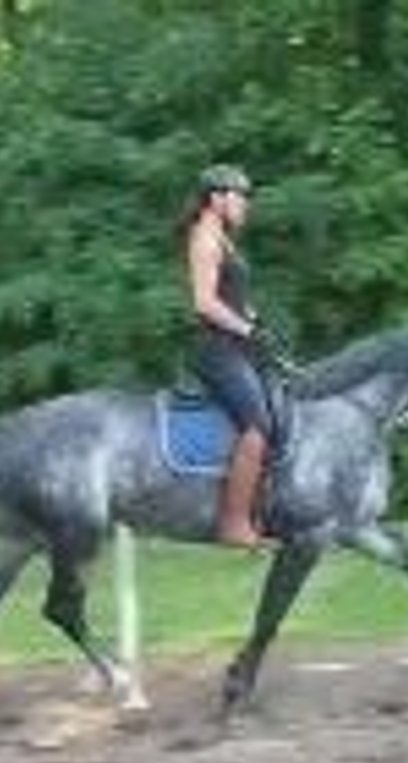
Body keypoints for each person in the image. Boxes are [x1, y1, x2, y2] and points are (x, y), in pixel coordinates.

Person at [182, 165, 273, 549]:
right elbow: (204, 302)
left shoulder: (224, 239)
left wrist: (254, 320)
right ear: (216, 198)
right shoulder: (205, 238)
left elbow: (231, 296)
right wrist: (245, 329)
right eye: (240, 197)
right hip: (216, 350)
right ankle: (233, 524)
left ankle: (264, 513)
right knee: (257, 428)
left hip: (236, 345)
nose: (245, 205)